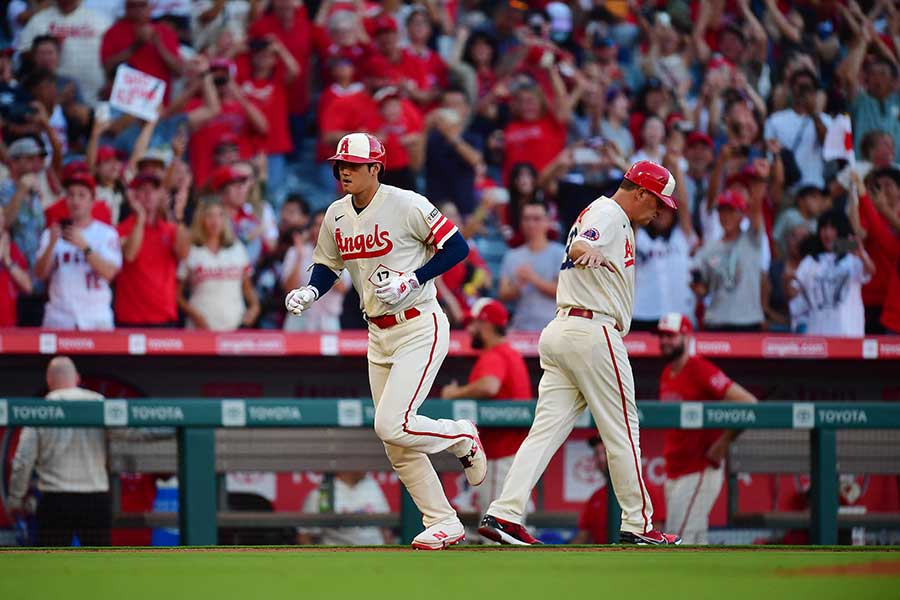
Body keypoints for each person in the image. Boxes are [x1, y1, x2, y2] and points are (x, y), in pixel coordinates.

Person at [284, 132, 485, 551]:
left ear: (376, 167)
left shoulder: (407, 203)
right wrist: (311, 291)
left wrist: (415, 277)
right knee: (394, 441)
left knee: (391, 423)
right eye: (340, 165)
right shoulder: (336, 214)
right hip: (377, 331)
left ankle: (462, 436)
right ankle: (444, 521)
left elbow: (457, 247)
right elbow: (327, 265)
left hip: (419, 324)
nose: (344, 171)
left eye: (353, 165)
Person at [479, 160, 683, 546]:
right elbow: (581, 242)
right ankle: (639, 525)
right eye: (657, 202)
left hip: (562, 330)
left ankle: (504, 512)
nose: (659, 211)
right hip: (592, 330)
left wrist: (586, 248)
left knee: (544, 432)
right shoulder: (610, 212)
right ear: (640, 192)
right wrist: (585, 250)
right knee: (624, 430)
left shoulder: (610, 214)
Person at [655, 312, 758, 544]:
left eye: (670, 336)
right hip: (675, 470)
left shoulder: (699, 368)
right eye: (661, 336)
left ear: (686, 337)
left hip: (699, 468)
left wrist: (724, 443)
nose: (664, 341)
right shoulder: (666, 372)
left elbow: (748, 403)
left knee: (678, 541)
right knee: (693, 543)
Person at [441, 298, 532, 519]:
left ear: (486, 325)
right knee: (512, 525)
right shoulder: (510, 353)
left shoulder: (496, 354)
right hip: (514, 455)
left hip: (500, 455)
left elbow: (490, 385)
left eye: (474, 324)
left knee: (497, 526)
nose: (470, 329)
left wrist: (455, 393)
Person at [8, 357, 111, 546]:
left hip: (56, 501)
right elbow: (130, 433)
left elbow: (23, 461)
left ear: (49, 381)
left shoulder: (41, 408)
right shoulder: (99, 401)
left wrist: (15, 499)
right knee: (101, 567)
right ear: (77, 378)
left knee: (50, 569)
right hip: (96, 499)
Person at [34, 172, 122, 330]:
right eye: (71, 195)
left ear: (92, 200)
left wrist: (84, 246)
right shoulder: (51, 233)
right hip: (60, 318)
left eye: (82, 195)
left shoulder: (106, 233)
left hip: (96, 318)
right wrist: (52, 244)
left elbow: (109, 273)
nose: (75, 201)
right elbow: (40, 274)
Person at [115, 173, 189, 327]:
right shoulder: (121, 229)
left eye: (154, 189)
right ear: (132, 195)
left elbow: (183, 254)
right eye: (142, 189)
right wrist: (141, 217)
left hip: (164, 317)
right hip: (130, 318)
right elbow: (129, 255)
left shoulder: (171, 229)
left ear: (161, 194)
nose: (149, 194)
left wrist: (179, 216)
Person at [177, 197, 259, 331]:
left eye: (220, 215)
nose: (215, 221)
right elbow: (177, 295)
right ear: (201, 219)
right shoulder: (192, 250)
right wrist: (195, 315)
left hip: (235, 326)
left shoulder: (237, 248)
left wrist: (254, 307)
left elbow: (247, 288)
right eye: (209, 215)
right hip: (201, 328)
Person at [788, 210, 874, 337]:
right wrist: (788, 280)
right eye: (824, 228)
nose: (827, 233)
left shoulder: (853, 256)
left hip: (849, 334)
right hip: (818, 337)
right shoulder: (810, 260)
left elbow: (870, 271)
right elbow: (792, 291)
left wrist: (862, 255)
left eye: (832, 228)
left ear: (841, 230)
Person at [691, 190, 766, 331]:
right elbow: (701, 287)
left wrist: (758, 186)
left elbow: (756, 210)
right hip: (717, 320)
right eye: (721, 211)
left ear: (743, 214)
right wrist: (697, 285)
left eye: (731, 211)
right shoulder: (709, 248)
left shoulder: (751, 239)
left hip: (748, 320)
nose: (726, 216)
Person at [17, 0, 111, 106]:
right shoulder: (39, 20)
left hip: (96, 96)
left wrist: (111, 82)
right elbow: (23, 52)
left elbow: (113, 55)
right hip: (53, 98)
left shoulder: (100, 20)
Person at [498, 200, 563, 332]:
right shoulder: (512, 256)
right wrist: (518, 286)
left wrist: (533, 279)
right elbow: (503, 294)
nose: (531, 224)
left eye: (537, 219)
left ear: (548, 221)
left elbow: (564, 293)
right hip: (521, 327)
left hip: (553, 327)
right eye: (526, 219)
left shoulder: (561, 253)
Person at [100, 0, 184, 100]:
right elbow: (107, 67)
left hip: (158, 104)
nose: (138, 10)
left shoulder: (164, 32)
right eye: (132, 6)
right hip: (123, 102)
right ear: (126, 9)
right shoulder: (113, 32)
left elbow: (179, 71)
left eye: (142, 5)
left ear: (149, 8)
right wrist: (136, 45)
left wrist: (159, 45)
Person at [297, 472, 392, 546]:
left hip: (376, 559)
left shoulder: (371, 484)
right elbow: (305, 537)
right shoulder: (322, 493)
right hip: (337, 561)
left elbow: (386, 532)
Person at [571, 435, 609, 545]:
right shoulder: (595, 497)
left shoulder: (644, 490)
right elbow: (584, 536)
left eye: (606, 452)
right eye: (597, 454)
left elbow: (653, 538)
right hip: (602, 558)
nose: (601, 459)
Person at [0, 206, 33, 326]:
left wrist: (8, 261)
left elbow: (28, 286)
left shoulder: (12, 249)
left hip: (8, 328)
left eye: (2, 215)